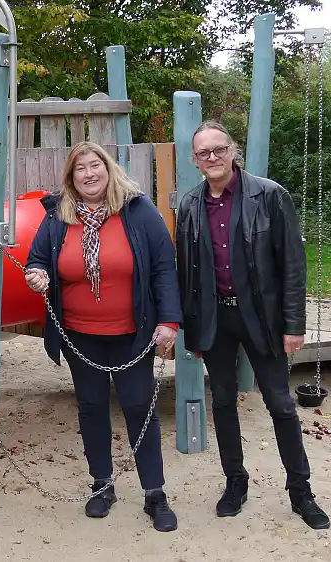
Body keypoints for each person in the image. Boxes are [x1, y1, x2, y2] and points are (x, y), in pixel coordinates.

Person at [176, 121, 329, 529]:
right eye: (203, 153)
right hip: (216, 319)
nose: (212, 158)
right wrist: (193, 332)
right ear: (195, 160)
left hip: (262, 316)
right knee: (224, 402)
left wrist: (294, 325)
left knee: (280, 404)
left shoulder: (270, 195)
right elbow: (186, 274)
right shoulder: (190, 205)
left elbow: (293, 266)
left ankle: (301, 492)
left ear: (232, 151)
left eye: (218, 150)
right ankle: (235, 483)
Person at [24, 141, 181, 532]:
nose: (89, 174)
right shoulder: (58, 217)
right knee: (92, 407)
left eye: (95, 166)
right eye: (80, 169)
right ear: (71, 177)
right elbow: (38, 258)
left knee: (138, 406)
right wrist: (38, 274)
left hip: (133, 333)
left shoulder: (137, 210)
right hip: (80, 334)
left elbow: (164, 267)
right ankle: (102, 485)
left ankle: (154, 493)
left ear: (108, 169)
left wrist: (170, 322)